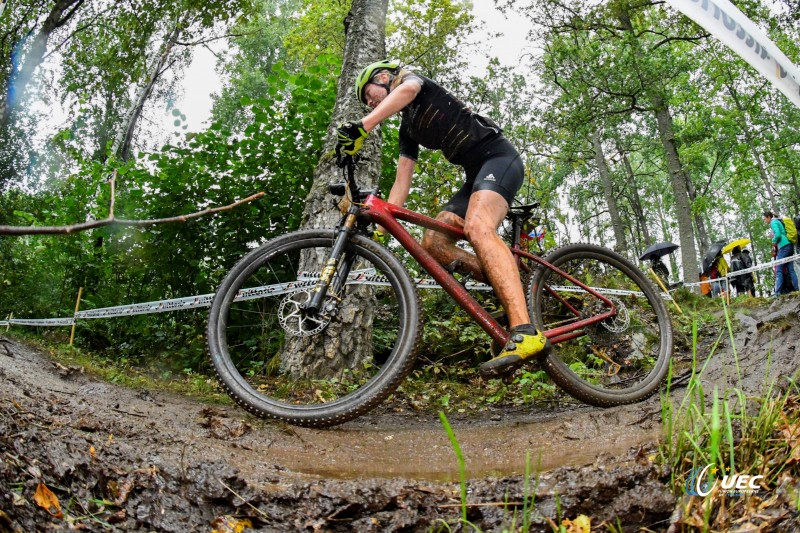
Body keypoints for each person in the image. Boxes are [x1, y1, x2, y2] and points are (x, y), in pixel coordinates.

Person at [336, 60, 549, 378]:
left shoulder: (412, 82)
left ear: (384, 78)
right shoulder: (407, 129)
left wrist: (362, 126)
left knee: (478, 226)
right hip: (474, 176)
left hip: (499, 158)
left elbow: (408, 89)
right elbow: (402, 181)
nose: (370, 103)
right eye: (367, 103)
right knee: (434, 243)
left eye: (369, 95)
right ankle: (514, 287)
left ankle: (524, 330)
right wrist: (381, 222)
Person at [763, 210, 798, 296]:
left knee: (778, 269)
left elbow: (778, 235)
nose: (765, 221)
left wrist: (773, 240)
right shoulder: (778, 221)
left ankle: (777, 293)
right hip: (789, 245)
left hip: (783, 247)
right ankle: (797, 289)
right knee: (791, 270)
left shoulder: (773, 222)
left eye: (765, 219)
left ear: (768, 217)